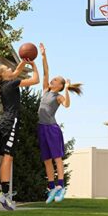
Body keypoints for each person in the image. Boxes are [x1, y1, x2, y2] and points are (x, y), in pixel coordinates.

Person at [0, 60, 39, 210]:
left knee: (7, 158)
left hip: (4, 122)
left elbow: (15, 72)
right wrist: (34, 67)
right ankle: (4, 193)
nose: (10, 69)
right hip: (10, 122)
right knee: (8, 157)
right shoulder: (12, 84)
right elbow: (35, 80)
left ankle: (5, 193)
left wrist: (23, 62)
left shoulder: (2, 85)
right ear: (3, 74)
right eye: (7, 68)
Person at [38, 43, 82, 204]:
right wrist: (43, 55)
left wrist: (67, 90)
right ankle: (52, 187)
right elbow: (45, 71)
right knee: (47, 160)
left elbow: (67, 105)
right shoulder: (45, 90)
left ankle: (61, 186)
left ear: (60, 85)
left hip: (52, 129)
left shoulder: (58, 96)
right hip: (41, 128)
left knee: (57, 158)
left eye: (55, 80)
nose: (51, 79)